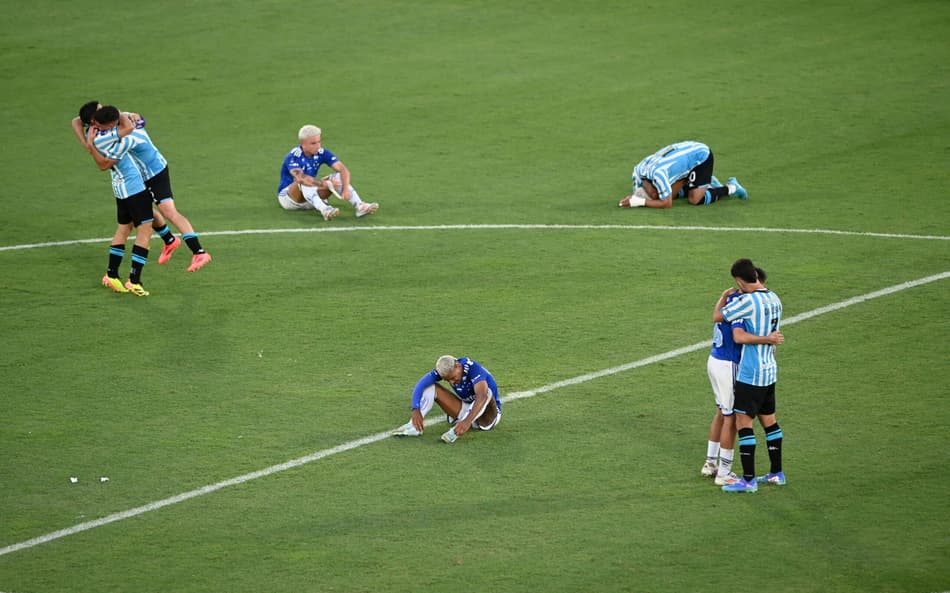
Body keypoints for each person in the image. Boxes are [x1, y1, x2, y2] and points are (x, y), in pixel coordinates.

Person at [78, 102, 212, 272]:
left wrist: (90, 145)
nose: (94, 126)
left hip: (154, 173)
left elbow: (104, 164)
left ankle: (199, 252)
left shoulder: (124, 139)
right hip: (145, 173)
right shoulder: (127, 118)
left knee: (169, 211)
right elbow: (77, 120)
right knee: (145, 210)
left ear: (110, 123)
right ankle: (170, 241)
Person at [715, 259, 785, 493]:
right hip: (770, 370)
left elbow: (723, 320)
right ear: (755, 274)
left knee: (743, 423)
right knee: (770, 422)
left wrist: (725, 297)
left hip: (751, 372)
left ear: (739, 280)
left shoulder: (746, 301)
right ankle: (777, 473)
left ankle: (748, 480)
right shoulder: (775, 298)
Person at [84, 108, 155, 296]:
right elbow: (103, 164)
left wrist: (89, 142)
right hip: (134, 188)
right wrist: (121, 115)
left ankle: (111, 274)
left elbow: (77, 119)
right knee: (145, 230)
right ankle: (134, 280)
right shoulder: (106, 137)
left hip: (120, 188)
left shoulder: (94, 134)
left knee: (123, 229)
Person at [277, 125, 379, 220]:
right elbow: (301, 178)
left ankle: (359, 205)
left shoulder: (321, 152)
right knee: (305, 181)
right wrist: (325, 184)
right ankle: (325, 210)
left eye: (319, 141)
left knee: (337, 177)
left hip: (310, 198)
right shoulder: (293, 157)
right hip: (289, 199)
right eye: (313, 143)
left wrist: (346, 188)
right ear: (303, 144)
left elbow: (343, 169)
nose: (318, 146)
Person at [392, 355, 502, 443]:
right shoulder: (448, 369)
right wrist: (415, 409)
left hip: (487, 417)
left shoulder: (474, 369)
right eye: (447, 380)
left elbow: (482, 396)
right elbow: (420, 385)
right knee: (429, 386)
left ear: (458, 367)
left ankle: (454, 432)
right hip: (466, 410)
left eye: (453, 378)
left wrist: (467, 421)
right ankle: (414, 427)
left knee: (486, 392)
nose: (451, 382)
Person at [618, 141, 748, 209]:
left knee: (695, 199)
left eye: (654, 195)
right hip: (685, 155)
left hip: (700, 156)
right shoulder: (638, 171)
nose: (655, 196)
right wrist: (634, 197)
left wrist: (641, 202)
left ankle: (731, 187)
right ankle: (703, 182)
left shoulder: (658, 174)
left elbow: (667, 204)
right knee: (670, 193)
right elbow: (638, 193)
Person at [701, 287, 744, 486]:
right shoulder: (743, 304)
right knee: (731, 418)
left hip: (714, 360)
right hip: (728, 364)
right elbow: (739, 337)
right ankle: (724, 472)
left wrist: (722, 296)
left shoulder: (729, 299)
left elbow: (715, 316)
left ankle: (710, 463)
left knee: (720, 412)